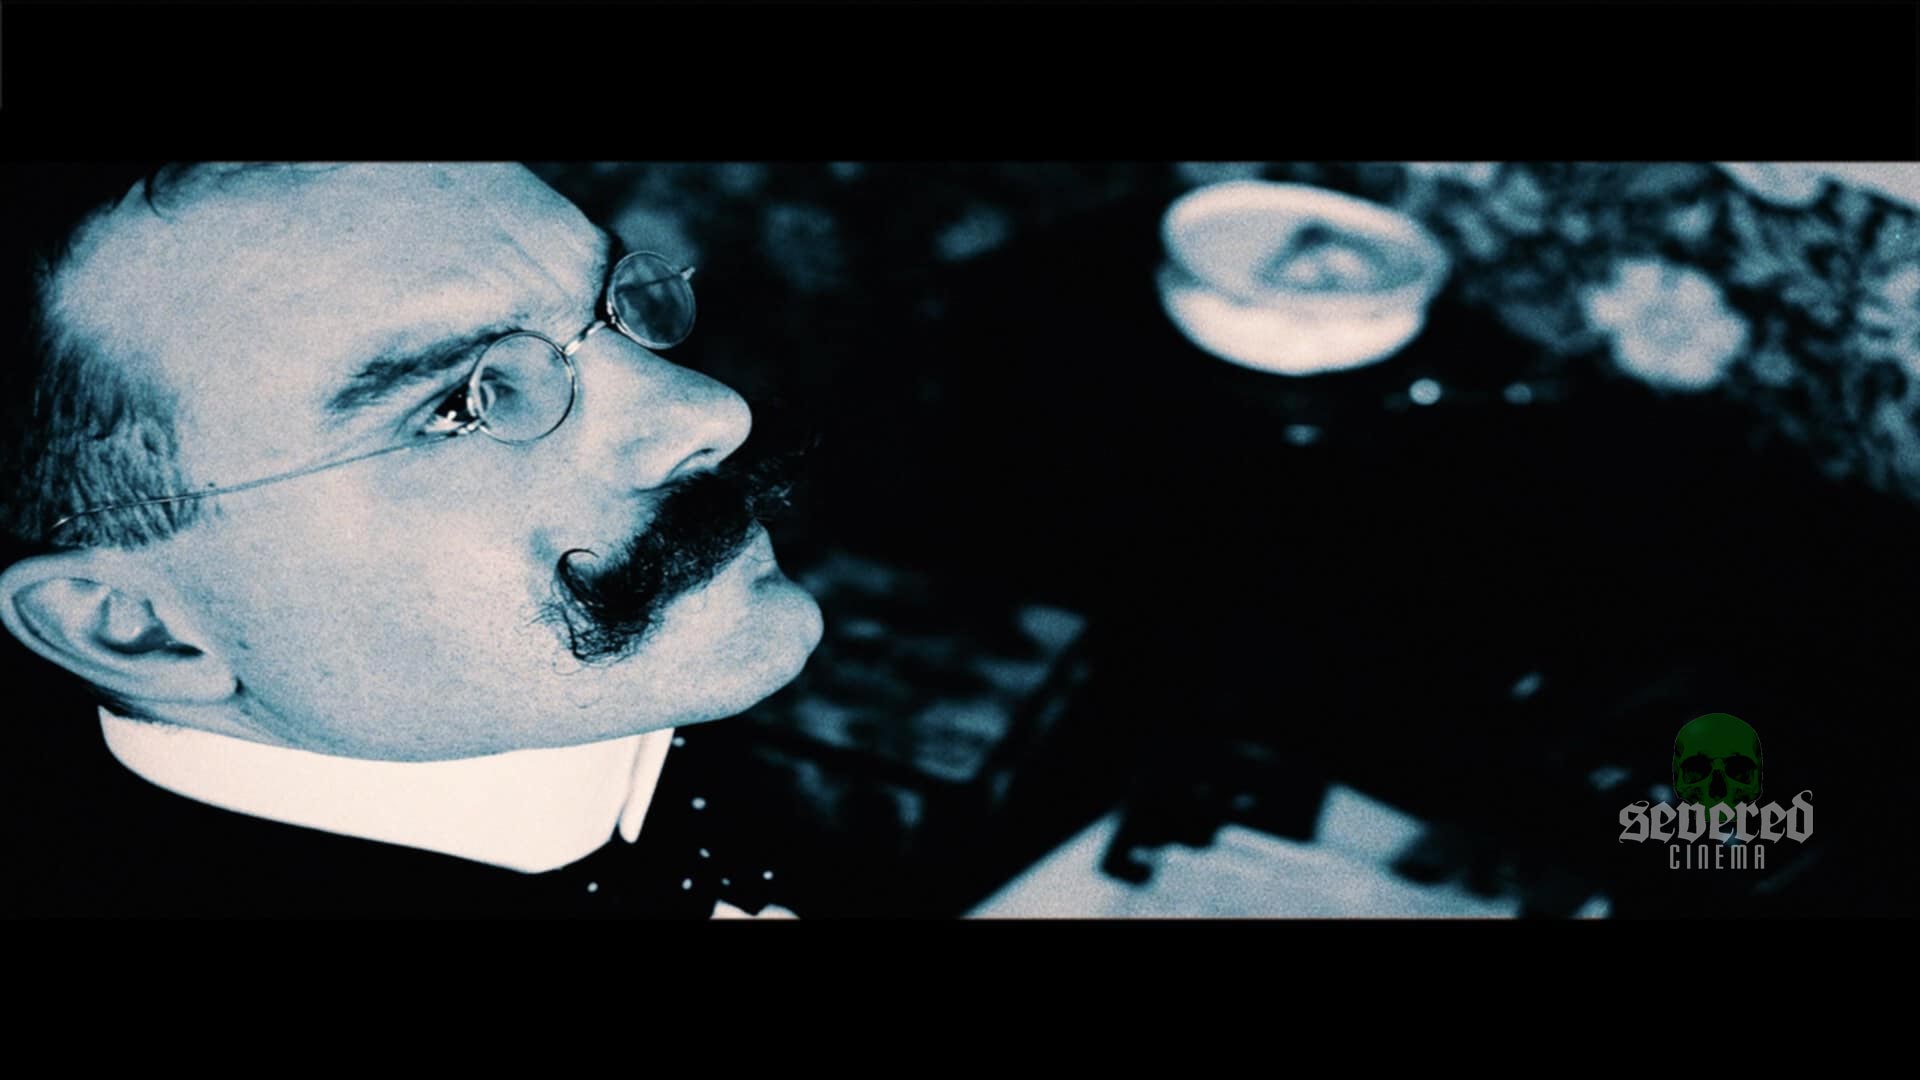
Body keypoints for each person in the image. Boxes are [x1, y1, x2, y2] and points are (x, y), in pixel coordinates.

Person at [0, 162, 825, 917]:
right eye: (461, 404)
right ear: (136, 626)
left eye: (610, 306)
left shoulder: (565, 675)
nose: (711, 414)